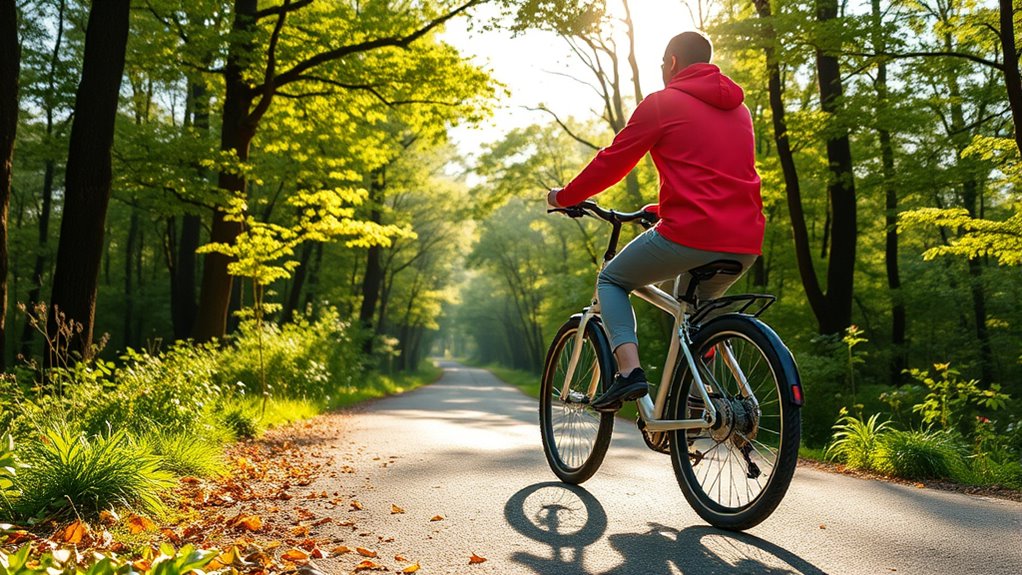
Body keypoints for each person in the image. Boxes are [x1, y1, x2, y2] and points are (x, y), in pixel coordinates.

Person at [546, 31, 764, 412]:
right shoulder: (740, 110)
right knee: (696, 311)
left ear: (673, 62)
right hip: (744, 241)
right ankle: (698, 404)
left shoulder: (663, 103)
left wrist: (564, 197)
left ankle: (629, 373)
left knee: (612, 279)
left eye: (663, 64)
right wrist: (663, 208)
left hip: (690, 234)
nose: (662, 71)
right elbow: (720, 177)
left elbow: (611, 162)